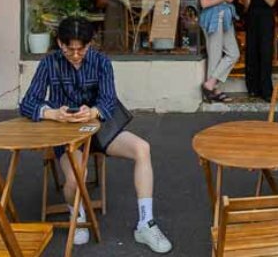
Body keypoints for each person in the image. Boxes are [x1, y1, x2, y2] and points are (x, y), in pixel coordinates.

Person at [19, 18, 173, 253]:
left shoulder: (101, 62)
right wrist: (53, 114)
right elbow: (28, 103)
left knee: (142, 148)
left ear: (90, 44)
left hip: (99, 129)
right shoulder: (49, 63)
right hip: (66, 134)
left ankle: (146, 223)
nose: (76, 54)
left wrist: (92, 111)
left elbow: (109, 100)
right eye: (69, 49)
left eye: (81, 49)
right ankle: (77, 213)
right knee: (76, 176)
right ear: (59, 43)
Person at [199, 0, 239, 103]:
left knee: (233, 53)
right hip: (213, 18)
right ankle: (213, 90)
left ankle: (209, 85)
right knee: (215, 55)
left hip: (225, 17)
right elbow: (204, 3)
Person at [241, 0, 278, 101]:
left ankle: (266, 90)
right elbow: (246, 7)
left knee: (265, 53)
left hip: (265, 19)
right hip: (252, 18)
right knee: (251, 53)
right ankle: (253, 88)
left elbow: (271, 2)